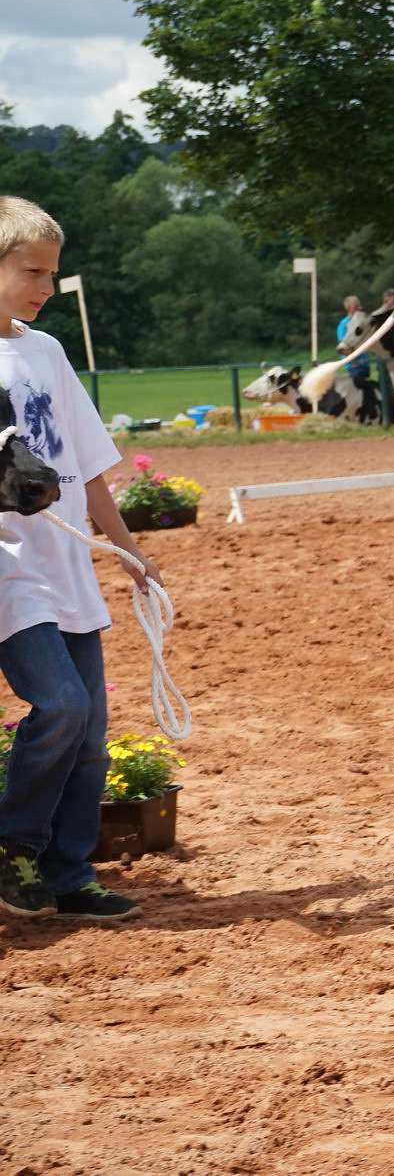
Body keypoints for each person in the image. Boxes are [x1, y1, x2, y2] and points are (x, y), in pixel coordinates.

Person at [0, 196, 159, 922]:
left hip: (66, 563)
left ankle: (68, 872)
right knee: (60, 706)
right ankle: (15, 847)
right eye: (30, 270)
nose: (43, 287)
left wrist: (127, 548)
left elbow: (89, 464)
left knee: (91, 731)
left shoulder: (47, 351)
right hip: (9, 568)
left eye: (51, 274)